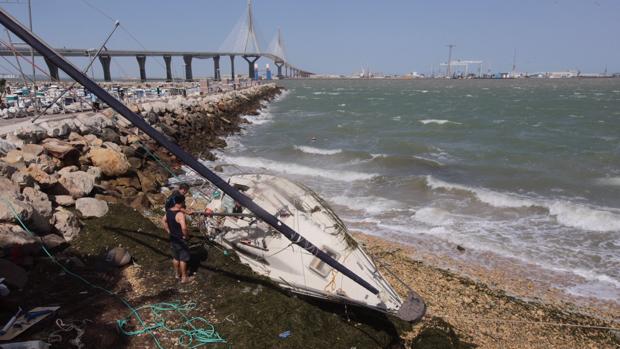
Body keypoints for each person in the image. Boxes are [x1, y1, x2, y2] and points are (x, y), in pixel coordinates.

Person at [162, 196, 191, 283]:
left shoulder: (169, 211)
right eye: (183, 202)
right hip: (180, 239)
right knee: (183, 259)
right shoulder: (180, 215)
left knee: (175, 257)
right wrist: (186, 236)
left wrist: (168, 230)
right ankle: (184, 278)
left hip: (173, 238)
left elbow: (163, 220)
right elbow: (184, 228)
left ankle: (176, 274)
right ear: (181, 203)